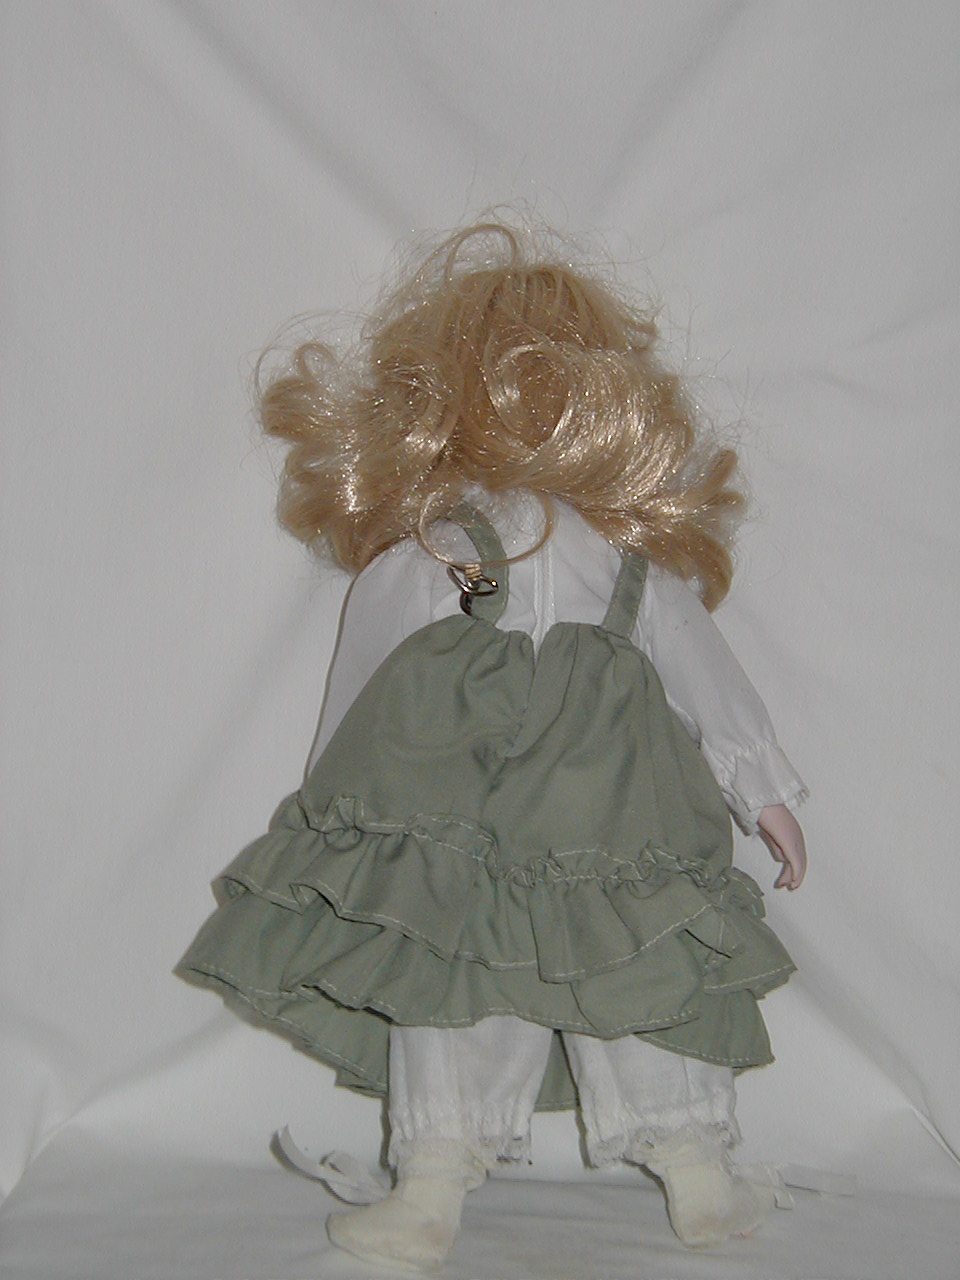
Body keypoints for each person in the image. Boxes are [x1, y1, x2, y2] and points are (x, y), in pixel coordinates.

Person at [177, 220, 808, 1270]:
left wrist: (336, 813)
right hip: (612, 809)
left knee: (458, 977)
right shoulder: (626, 561)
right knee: (631, 967)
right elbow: (708, 675)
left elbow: (367, 693)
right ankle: (695, 1167)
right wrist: (765, 790)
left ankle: (432, 1186)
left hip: (459, 815)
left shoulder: (435, 550)